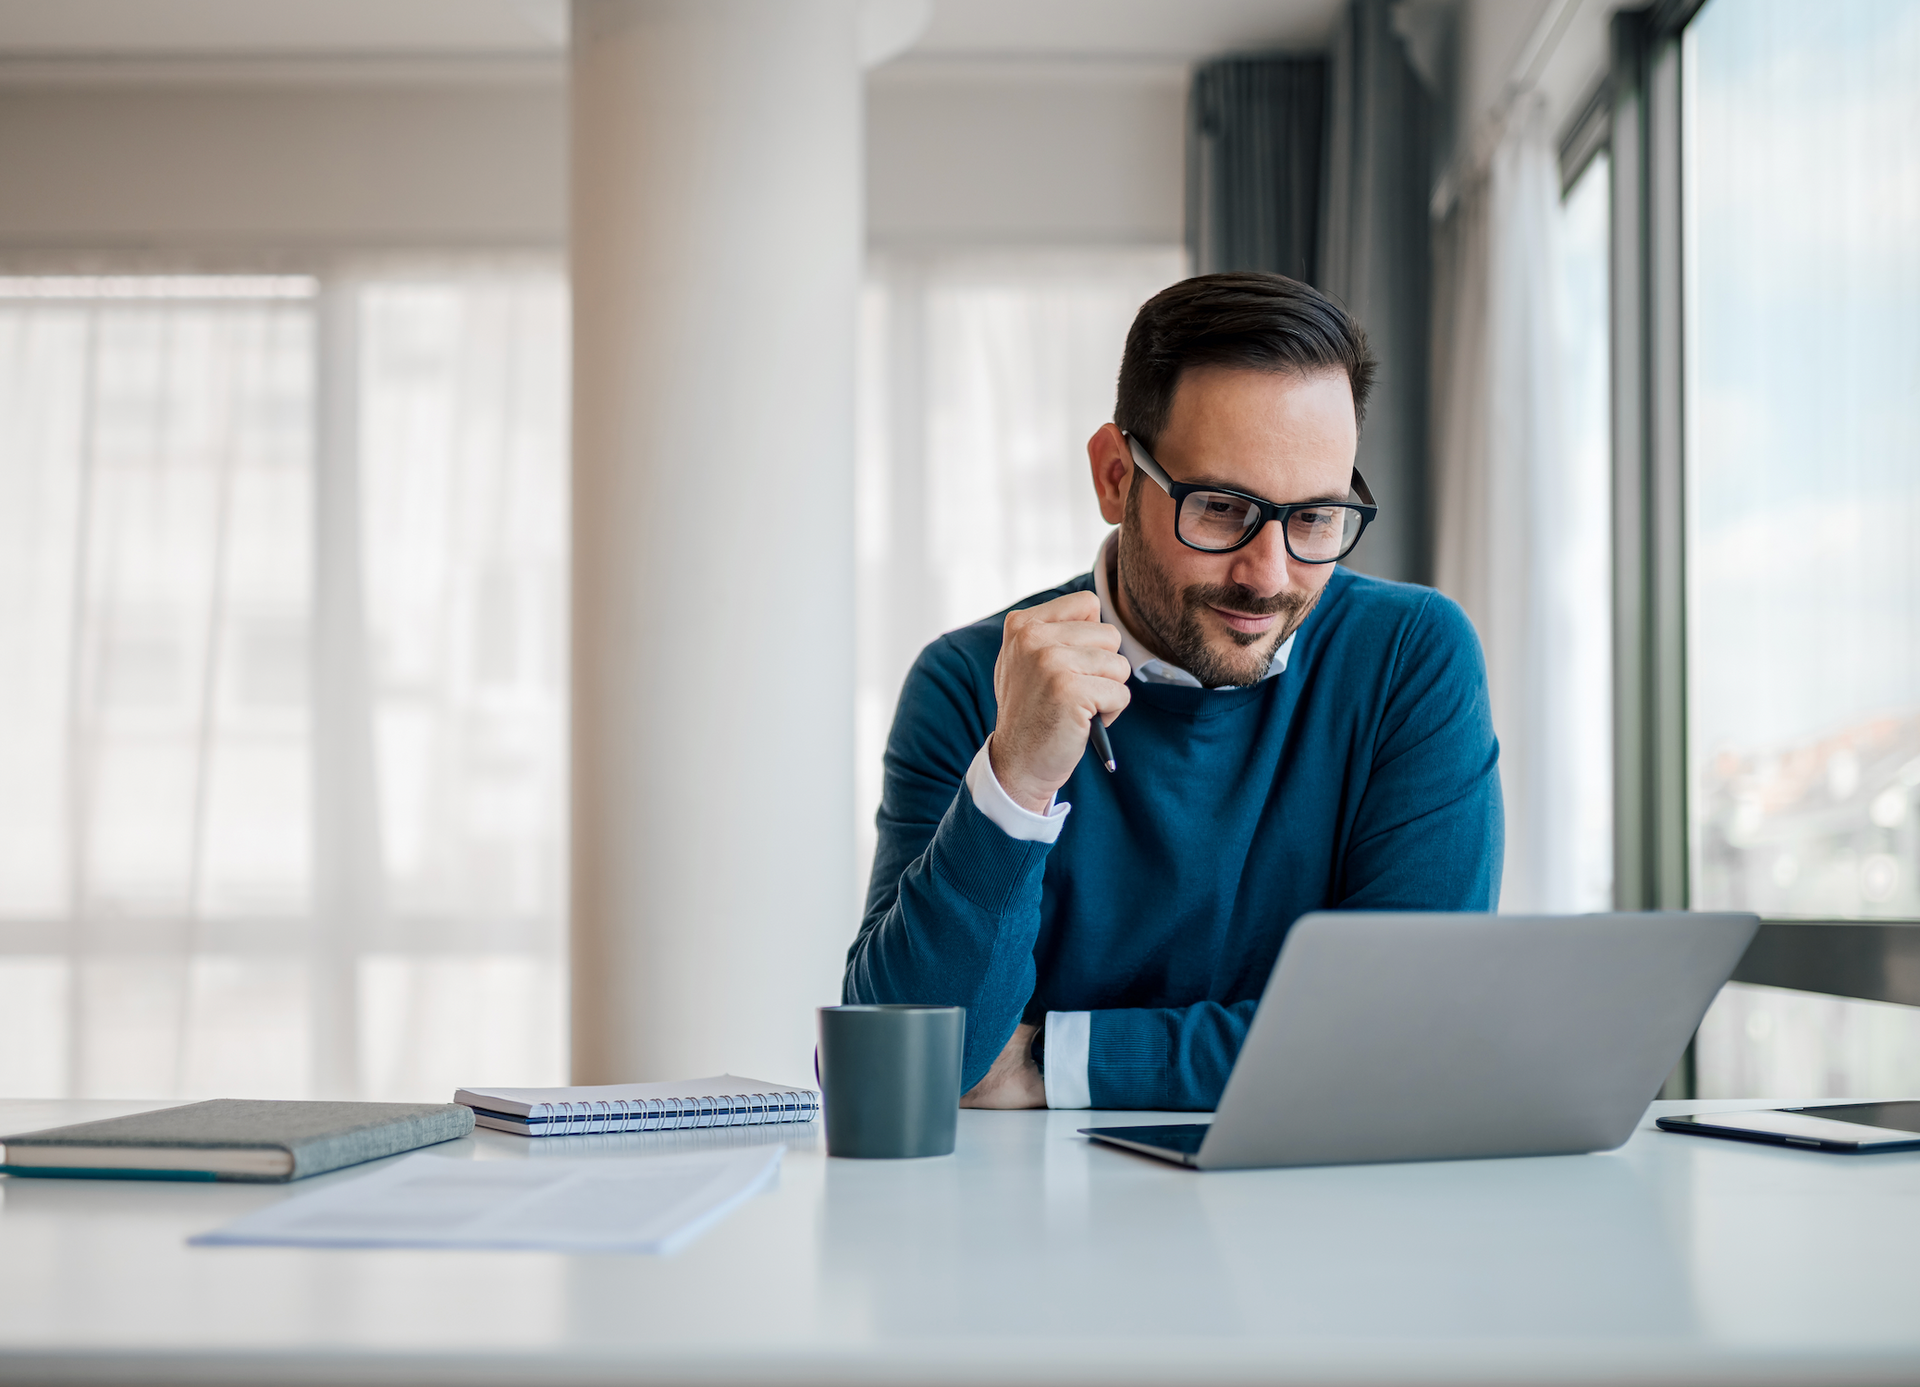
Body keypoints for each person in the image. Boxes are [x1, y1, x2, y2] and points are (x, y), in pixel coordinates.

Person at [843, 271, 1502, 1112]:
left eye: (1316, 518)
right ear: (1116, 476)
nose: (1269, 577)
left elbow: (1409, 1036)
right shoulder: (970, 682)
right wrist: (1016, 782)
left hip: (1322, 1221)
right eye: (1223, 508)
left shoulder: (1411, 657)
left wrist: (1057, 1060)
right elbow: (897, 1063)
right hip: (1026, 1232)